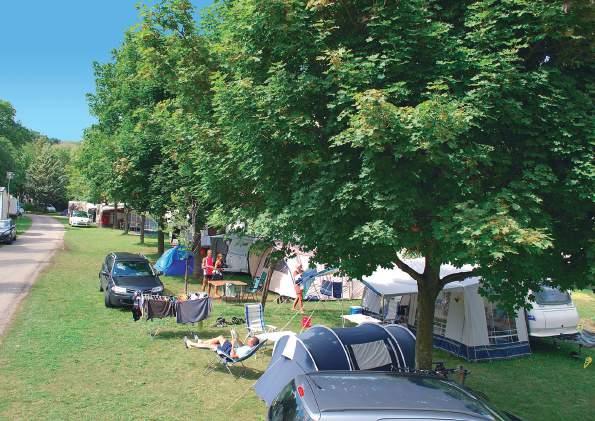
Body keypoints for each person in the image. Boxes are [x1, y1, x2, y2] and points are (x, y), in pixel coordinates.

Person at [183, 331, 260, 359]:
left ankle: (190, 343)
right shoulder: (248, 348)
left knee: (213, 346)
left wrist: (233, 345)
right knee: (220, 337)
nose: (248, 339)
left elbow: (232, 356)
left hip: (228, 353)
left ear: (252, 343)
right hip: (230, 348)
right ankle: (201, 342)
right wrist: (236, 339)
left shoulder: (246, 351)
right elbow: (242, 346)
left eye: (250, 339)